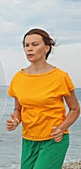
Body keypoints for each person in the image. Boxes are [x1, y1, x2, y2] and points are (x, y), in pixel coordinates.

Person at [6, 28, 80, 169]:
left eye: (34, 44)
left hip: (54, 139)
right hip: (28, 140)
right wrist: (15, 120)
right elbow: (18, 108)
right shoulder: (18, 78)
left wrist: (61, 128)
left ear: (46, 48)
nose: (29, 49)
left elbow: (75, 109)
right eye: (26, 45)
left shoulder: (60, 77)